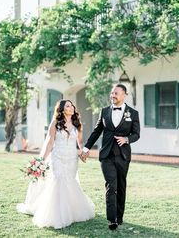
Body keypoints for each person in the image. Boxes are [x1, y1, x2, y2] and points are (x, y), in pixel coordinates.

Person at [17, 99, 95, 229]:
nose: (71, 107)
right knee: (58, 181)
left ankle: (72, 211)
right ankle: (56, 215)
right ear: (62, 109)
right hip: (57, 157)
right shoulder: (55, 123)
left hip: (71, 158)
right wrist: (41, 160)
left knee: (70, 182)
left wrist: (82, 153)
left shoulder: (77, 123)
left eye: (72, 105)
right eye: (68, 106)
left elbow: (79, 142)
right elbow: (50, 142)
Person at [80, 83, 140, 230]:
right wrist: (86, 147)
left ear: (124, 94)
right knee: (111, 185)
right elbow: (96, 131)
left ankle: (119, 217)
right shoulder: (104, 111)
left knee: (121, 185)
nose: (113, 96)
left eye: (116, 93)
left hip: (123, 156)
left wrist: (126, 139)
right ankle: (112, 220)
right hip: (106, 155)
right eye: (112, 93)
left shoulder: (133, 113)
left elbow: (136, 134)